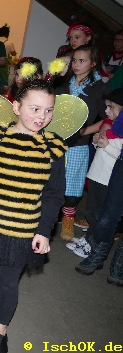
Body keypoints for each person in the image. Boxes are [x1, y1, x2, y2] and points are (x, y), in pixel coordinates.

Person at [0, 79, 66, 353]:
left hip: (23, 231)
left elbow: (53, 195)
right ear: (16, 107)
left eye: (48, 110)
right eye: (35, 108)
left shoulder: (53, 148)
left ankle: (0, 330)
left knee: (8, 283)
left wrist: (44, 230)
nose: (42, 116)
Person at [55, 45, 109, 241]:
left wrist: (86, 130)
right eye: (74, 61)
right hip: (55, 140)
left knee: (72, 185)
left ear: (93, 63)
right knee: (50, 180)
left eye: (82, 61)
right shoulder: (62, 82)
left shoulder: (99, 88)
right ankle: (49, 216)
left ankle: (68, 219)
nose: (76, 65)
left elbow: (108, 118)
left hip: (78, 144)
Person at [68, 89, 123, 258]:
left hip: (108, 179)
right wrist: (97, 141)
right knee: (91, 211)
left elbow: (119, 156)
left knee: (100, 214)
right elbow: (102, 148)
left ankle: (93, 245)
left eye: (111, 107)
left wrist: (107, 146)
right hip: (96, 175)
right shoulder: (109, 126)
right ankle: (88, 239)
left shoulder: (120, 132)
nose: (106, 111)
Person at [74, 112, 123, 285]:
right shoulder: (112, 124)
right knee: (105, 215)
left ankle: (118, 266)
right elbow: (118, 128)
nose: (107, 110)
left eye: (111, 107)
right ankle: (96, 255)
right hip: (113, 169)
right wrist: (101, 137)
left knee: (104, 215)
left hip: (109, 172)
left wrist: (106, 140)